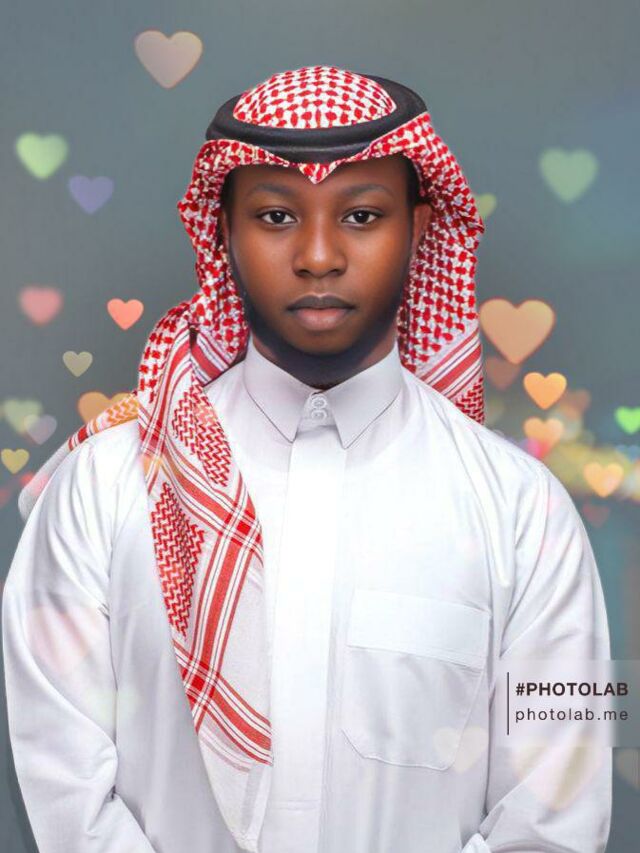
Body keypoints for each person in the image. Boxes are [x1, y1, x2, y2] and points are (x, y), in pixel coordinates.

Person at [2, 65, 611, 853]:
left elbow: (558, 810)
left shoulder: (526, 512)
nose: (319, 255)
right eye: (276, 215)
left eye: (361, 215)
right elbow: (66, 788)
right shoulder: (102, 489)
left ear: (419, 229)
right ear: (224, 231)